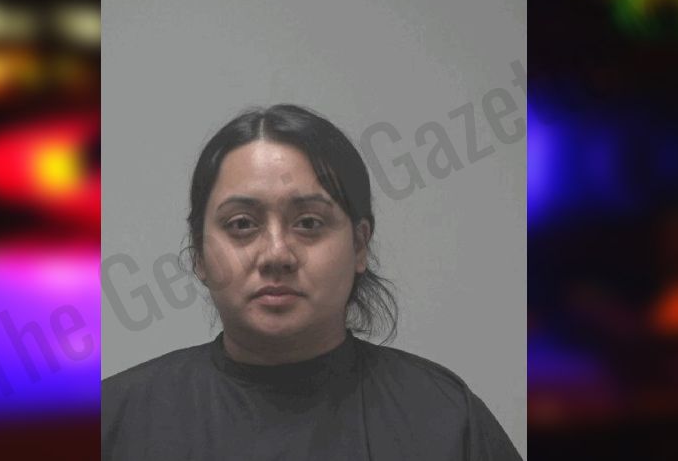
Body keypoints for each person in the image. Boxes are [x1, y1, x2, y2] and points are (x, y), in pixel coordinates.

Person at [102, 104, 522, 460]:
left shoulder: (444, 419)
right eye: (242, 224)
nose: (276, 254)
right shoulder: (114, 421)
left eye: (308, 223)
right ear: (199, 254)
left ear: (359, 245)